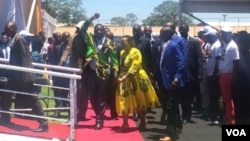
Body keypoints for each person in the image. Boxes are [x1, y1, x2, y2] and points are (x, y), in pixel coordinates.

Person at [2, 21, 48, 132]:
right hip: (15, 76)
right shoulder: (13, 40)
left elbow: (25, 58)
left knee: (32, 99)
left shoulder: (19, 40)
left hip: (23, 76)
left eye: (9, 29)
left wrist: (26, 77)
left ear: (14, 29)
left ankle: (44, 124)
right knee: (5, 95)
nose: (7, 31)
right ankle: (5, 117)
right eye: (6, 29)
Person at [81, 13, 118, 130]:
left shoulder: (109, 43)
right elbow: (83, 29)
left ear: (104, 31)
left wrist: (115, 71)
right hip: (91, 72)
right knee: (92, 97)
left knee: (101, 97)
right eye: (96, 30)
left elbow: (114, 59)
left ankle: (99, 120)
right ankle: (98, 114)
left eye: (101, 30)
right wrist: (91, 19)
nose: (98, 32)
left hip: (103, 73)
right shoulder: (90, 39)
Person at [116, 35, 160, 131]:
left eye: (125, 43)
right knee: (124, 100)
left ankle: (143, 121)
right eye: (121, 43)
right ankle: (125, 124)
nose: (122, 45)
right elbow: (122, 66)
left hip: (137, 79)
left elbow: (134, 66)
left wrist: (124, 77)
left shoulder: (135, 52)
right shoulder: (122, 52)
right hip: (124, 81)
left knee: (140, 101)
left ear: (130, 42)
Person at [159, 26, 187, 141]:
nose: (160, 35)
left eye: (162, 33)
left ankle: (170, 135)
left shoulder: (173, 45)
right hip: (166, 80)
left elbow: (181, 63)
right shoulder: (164, 45)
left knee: (171, 108)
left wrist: (176, 78)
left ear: (168, 35)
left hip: (172, 82)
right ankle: (174, 132)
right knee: (172, 108)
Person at [179, 23, 203, 124]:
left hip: (192, 73)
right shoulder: (177, 41)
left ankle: (188, 114)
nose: (183, 31)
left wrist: (200, 73)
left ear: (188, 29)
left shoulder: (194, 42)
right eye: (181, 29)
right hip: (181, 73)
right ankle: (185, 114)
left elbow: (199, 57)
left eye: (184, 29)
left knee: (190, 95)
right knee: (183, 95)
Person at [216, 26, 239, 125]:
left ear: (230, 34)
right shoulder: (226, 44)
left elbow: (236, 62)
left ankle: (231, 120)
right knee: (225, 98)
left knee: (228, 99)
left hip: (228, 74)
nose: (223, 35)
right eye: (222, 34)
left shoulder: (233, 46)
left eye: (225, 34)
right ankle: (227, 116)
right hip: (223, 74)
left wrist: (234, 77)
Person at [202, 27, 222, 125]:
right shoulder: (211, 45)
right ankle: (212, 113)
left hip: (214, 75)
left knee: (215, 96)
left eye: (208, 36)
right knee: (211, 96)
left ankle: (216, 115)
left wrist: (215, 73)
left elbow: (218, 61)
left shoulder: (217, 45)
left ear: (212, 36)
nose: (206, 38)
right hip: (209, 73)